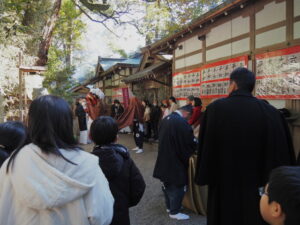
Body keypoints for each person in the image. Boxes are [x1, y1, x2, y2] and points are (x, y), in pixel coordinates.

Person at [195, 68, 296, 225]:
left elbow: (206, 147)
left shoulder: (216, 109)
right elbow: (283, 153)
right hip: (258, 187)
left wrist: (204, 176)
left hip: (223, 186)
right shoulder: (271, 113)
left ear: (233, 85)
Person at [0, 95, 114, 225]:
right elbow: (102, 215)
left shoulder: (14, 163)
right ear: (67, 123)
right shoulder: (87, 164)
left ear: (31, 122)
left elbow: (3, 209)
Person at [90, 116, 146, 225]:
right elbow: (139, 187)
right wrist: (124, 203)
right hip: (120, 213)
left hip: (95, 216)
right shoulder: (125, 159)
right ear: (116, 137)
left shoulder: (87, 163)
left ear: (91, 137)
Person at [153, 105, 197, 220]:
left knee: (166, 183)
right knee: (179, 184)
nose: (188, 119)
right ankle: (174, 211)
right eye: (189, 117)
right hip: (175, 159)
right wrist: (196, 145)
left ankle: (169, 207)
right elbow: (189, 141)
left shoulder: (165, 119)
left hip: (163, 157)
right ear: (187, 113)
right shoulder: (181, 122)